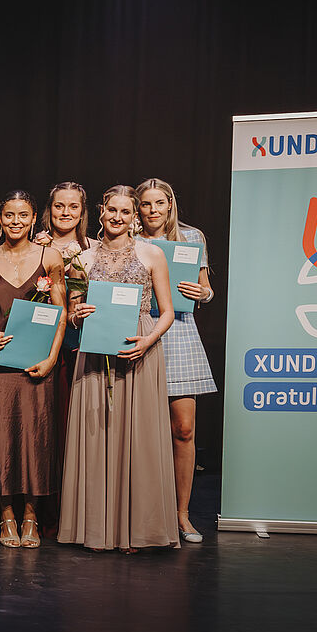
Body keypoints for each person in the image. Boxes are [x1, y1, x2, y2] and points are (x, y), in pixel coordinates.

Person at [58, 185, 178, 552]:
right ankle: (96, 529)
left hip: (137, 347)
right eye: (112, 210)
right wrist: (77, 314)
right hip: (95, 350)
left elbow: (167, 312)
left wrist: (148, 340)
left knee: (137, 438)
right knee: (96, 433)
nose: (117, 217)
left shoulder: (152, 254)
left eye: (126, 212)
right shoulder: (82, 258)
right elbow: (72, 312)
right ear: (101, 211)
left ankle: (134, 530)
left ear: (135, 217)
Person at [0, 190, 67, 549]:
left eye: (23, 215)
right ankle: (6, 515)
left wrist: (52, 358)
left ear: (33, 219)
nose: (16, 221)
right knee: (1, 439)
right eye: (9, 215)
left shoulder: (50, 257)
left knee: (35, 438)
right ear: (0, 219)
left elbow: (61, 314)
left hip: (37, 361)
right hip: (0, 362)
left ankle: (31, 515)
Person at [136, 177, 217, 544]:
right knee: (139, 432)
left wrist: (203, 293)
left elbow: (206, 288)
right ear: (138, 208)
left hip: (180, 332)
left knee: (183, 429)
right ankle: (144, 514)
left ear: (170, 204)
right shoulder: (130, 239)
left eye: (159, 203)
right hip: (140, 330)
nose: (153, 210)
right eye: (146, 203)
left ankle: (182, 514)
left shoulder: (191, 237)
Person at [32, 181, 92, 536]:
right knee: (45, 431)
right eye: (59, 206)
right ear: (49, 209)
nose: (65, 212)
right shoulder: (34, 246)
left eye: (73, 206)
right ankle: (43, 511)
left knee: (74, 431)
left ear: (82, 212)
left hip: (80, 348)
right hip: (42, 348)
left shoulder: (94, 249)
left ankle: (76, 513)